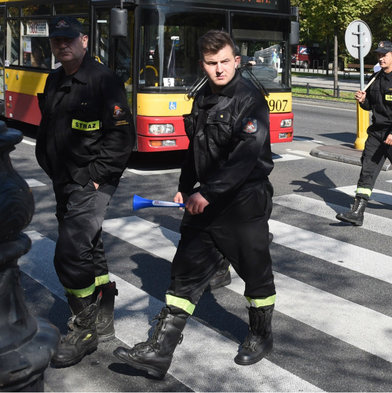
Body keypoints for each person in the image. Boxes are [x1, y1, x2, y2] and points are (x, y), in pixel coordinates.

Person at [114, 30, 277, 378]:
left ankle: (261, 335)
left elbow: (244, 159)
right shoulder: (202, 96)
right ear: (202, 64)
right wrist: (185, 187)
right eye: (210, 63)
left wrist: (207, 192)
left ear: (236, 60)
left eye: (223, 62)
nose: (218, 69)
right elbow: (196, 147)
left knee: (255, 274)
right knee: (184, 273)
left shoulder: (251, 100)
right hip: (206, 200)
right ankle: (160, 353)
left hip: (243, 202)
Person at [35, 16, 134, 368]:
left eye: (68, 39)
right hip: (63, 178)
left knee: (69, 251)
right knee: (88, 246)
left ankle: (85, 328)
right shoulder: (54, 79)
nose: (62, 45)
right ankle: (103, 308)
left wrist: (96, 177)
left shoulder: (103, 81)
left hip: (91, 180)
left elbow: (122, 137)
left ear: (85, 41)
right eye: (56, 40)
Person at [336, 41, 392, 226]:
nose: (381, 58)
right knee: (367, 170)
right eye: (379, 55)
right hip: (377, 134)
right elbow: (369, 105)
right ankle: (357, 212)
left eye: (384, 55)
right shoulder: (375, 78)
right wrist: (363, 100)